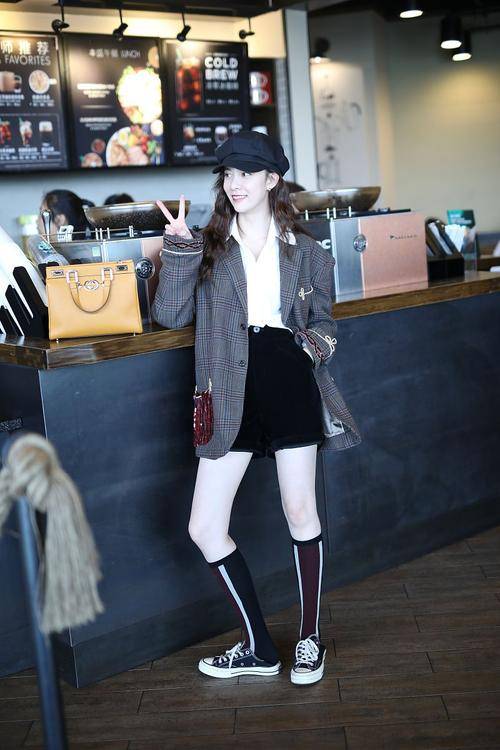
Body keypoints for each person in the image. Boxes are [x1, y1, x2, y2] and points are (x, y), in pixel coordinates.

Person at [152, 130, 361, 686]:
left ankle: (310, 639)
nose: (235, 183)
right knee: (205, 526)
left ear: (272, 180)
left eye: (247, 173)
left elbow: (326, 323)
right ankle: (259, 646)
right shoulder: (206, 246)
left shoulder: (308, 251)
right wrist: (177, 249)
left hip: (288, 380)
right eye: (228, 174)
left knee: (300, 509)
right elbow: (169, 316)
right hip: (225, 387)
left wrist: (305, 351)